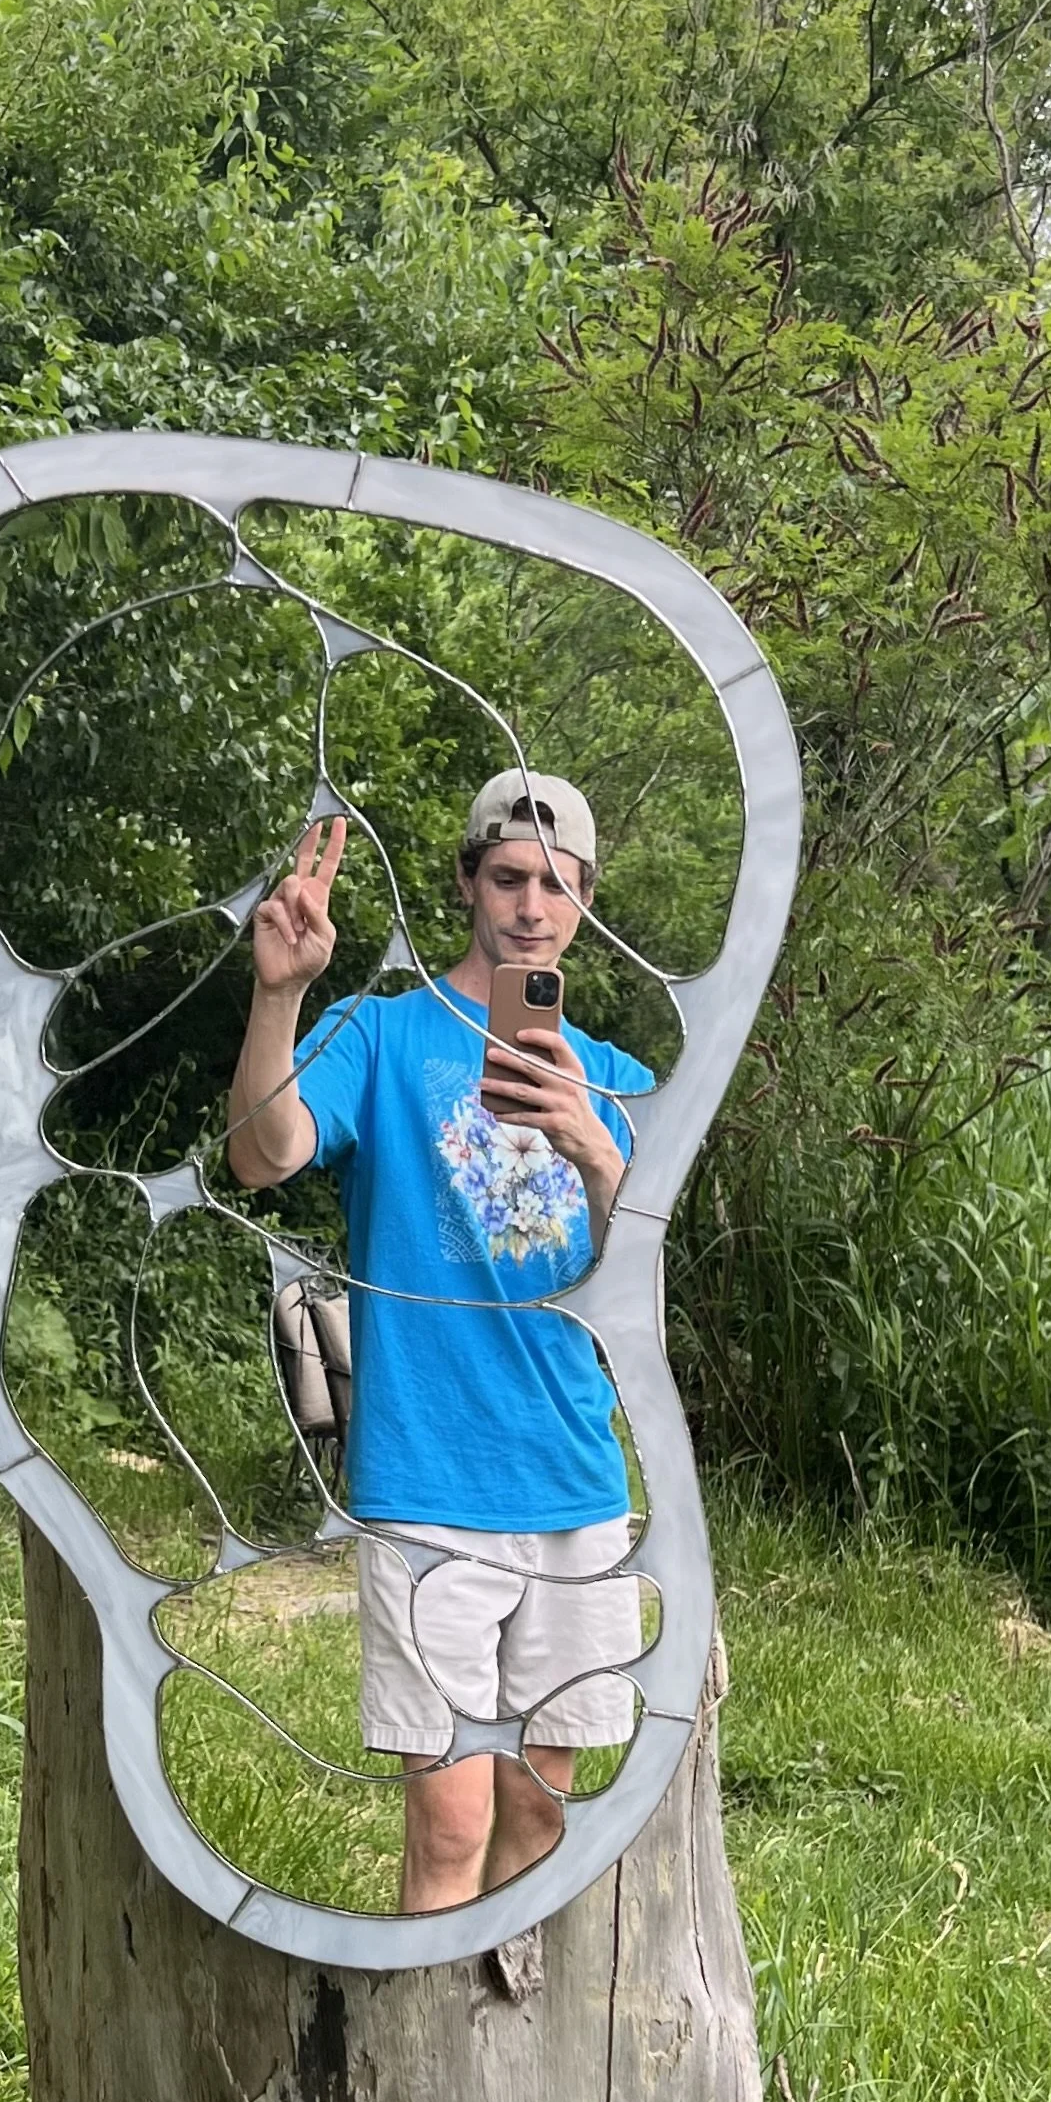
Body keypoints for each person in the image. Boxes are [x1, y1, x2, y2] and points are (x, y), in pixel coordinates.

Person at [226, 773, 655, 1913]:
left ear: (587, 903)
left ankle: (503, 2029)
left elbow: (642, 1282)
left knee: (538, 1804)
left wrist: (597, 1154)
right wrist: (279, 996)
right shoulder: (382, 1033)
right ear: (467, 882)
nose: (532, 904)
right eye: (509, 877)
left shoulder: (616, 1083)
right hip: (426, 1477)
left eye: (559, 885)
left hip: (571, 1479)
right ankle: (421, 2053)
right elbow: (264, 1153)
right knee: (451, 1815)